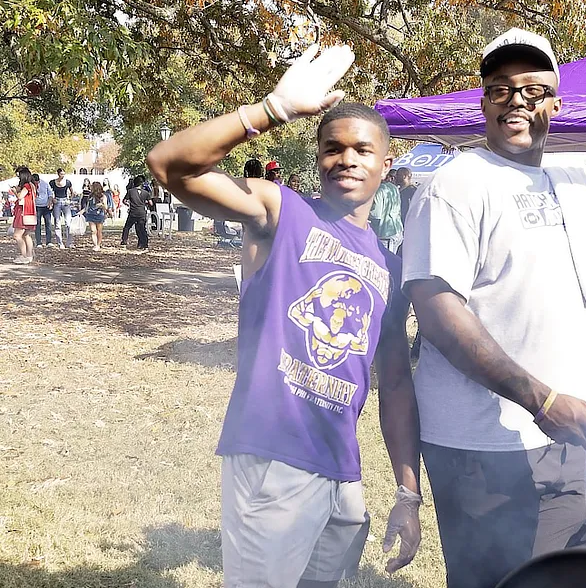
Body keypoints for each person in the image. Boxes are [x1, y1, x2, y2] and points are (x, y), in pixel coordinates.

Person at [402, 6, 586, 587]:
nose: (517, 100)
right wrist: (541, 399)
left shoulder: (576, 183)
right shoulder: (455, 184)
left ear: (554, 104)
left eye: (533, 89)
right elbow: (439, 313)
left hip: (569, 436)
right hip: (482, 445)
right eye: (500, 89)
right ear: (484, 103)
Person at [146, 44, 422, 587]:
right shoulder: (279, 211)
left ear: (386, 165)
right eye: (333, 148)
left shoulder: (390, 266)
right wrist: (271, 109)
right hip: (272, 455)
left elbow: (395, 384)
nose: (347, 159)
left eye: (363, 150)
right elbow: (170, 164)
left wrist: (408, 493)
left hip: (342, 472)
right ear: (316, 156)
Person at [368, 172, 403, 252]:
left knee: (385, 261)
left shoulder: (379, 190)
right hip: (398, 230)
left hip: (385, 232)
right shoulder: (394, 188)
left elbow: (376, 214)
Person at [12, 166, 37, 264]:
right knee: (26, 235)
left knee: (17, 235)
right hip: (29, 212)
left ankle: (24, 255)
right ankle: (29, 255)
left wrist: (15, 191)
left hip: (23, 212)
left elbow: (20, 196)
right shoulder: (32, 185)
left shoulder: (27, 186)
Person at [78, 181, 112, 251]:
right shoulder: (90, 196)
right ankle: (95, 244)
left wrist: (101, 205)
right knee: (93, 230)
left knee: (99, 230)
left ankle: (98, 245)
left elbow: (105, 207)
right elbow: (88, 206)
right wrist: (82, 211)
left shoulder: (103, 196)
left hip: (99, 214)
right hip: (90, 214)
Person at [121, 179, 151, 251]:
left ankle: (124, 241)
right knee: (142, 229)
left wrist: (128, 204)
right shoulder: (146, 193)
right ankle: (144, 244)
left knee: (127, 227)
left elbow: (124, 201)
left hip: (133, 212)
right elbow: (151, 203)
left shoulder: (130, 191)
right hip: (142, 213)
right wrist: (145, 203)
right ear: (141, 184)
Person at [50, 169, 76, 248]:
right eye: (61, 174)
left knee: (68, 223)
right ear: (58, 174)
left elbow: (72, 191)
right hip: (57, 201)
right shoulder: (52, 182)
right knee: (57, 223)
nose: (62, 176)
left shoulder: (67, 182)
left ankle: (69, 242)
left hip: (65, 202)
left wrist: (70, 199)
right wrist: (52, 198)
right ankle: (60, 242)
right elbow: (49, 191)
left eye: (64, 174)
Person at [32, 173, 54, 248]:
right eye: (35, 182)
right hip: (36, 206)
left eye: (38, 181)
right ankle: (38, 242)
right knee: (37, 224)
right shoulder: (30, 185)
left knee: (48, 224)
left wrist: (50, 202)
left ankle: (49, 241)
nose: (37, 183)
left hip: (46, 206)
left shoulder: (45, 183)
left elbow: (50, 193)